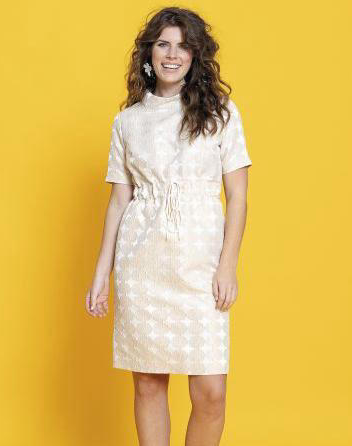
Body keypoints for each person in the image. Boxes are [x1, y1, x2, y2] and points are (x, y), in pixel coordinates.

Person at [85, 6, 252, 446]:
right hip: (143, 264)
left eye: (182, 46)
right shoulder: (128, 121)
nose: (172, 54)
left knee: (211, 393)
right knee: (148, 384)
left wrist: (228, 265)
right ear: (149, 53)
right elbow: (119, 200)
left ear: (196, 55)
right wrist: (102, 273)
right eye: (163, 44)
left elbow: (237, 196)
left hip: (201, 264)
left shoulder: (221, 114)